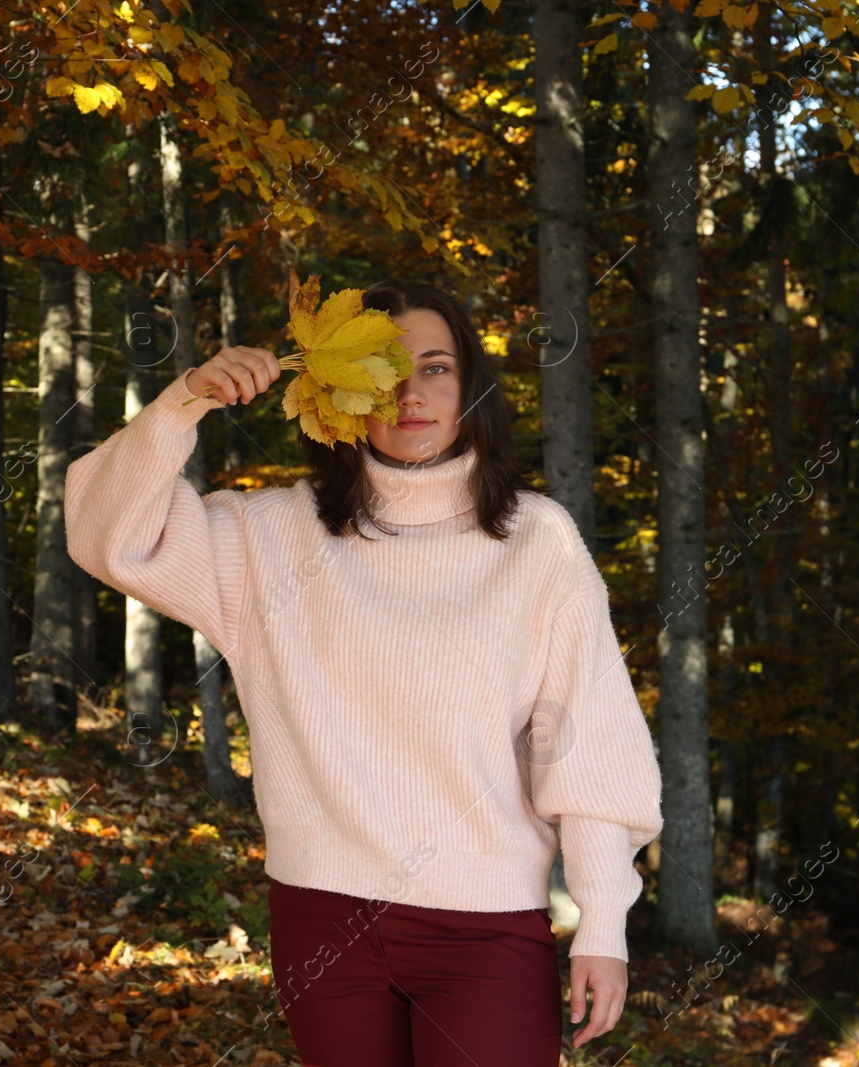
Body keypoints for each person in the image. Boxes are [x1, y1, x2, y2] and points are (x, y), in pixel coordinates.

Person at [64, 279, 663, 1066]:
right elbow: (106, 534)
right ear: (341, 389)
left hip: (483, 929)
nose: (410, 393)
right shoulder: (269, 535)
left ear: (471, 386)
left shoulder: (537, 542)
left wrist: (604, 923)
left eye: (437, 367)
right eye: (384, 368)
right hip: (323, 922)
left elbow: (586, 752)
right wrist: (185, 401)